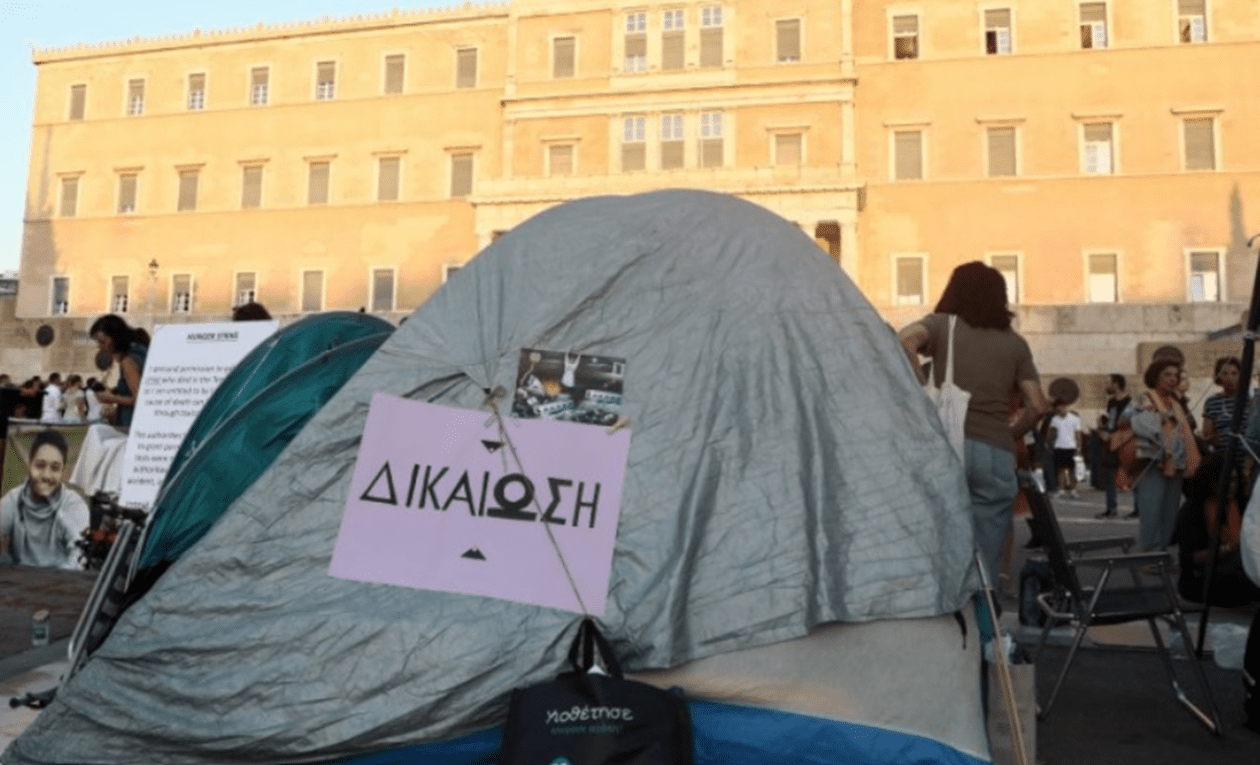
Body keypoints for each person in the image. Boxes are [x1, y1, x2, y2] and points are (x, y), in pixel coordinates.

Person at [899, 261, 1050, 585]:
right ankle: (984, 607)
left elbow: (903, 340)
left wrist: (920, 388)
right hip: (996, 451)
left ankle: (949, 609)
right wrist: (1009, 434)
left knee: (942, 544)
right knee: (987, 555)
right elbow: (1037, 406)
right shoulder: (1015, 343)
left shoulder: (943, 326)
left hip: (948, 448)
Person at [1123, 358, 1201, 551]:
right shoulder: (1143, 398)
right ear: (1156, 377)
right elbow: (1123, 421)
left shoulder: (1176, 403)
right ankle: (1150, 553)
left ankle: (1162, 552)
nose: (1173, 379)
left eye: (1176, 375)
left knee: (1170, 512)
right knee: (1151, 510)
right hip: (1151, 461)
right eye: (1167, 374)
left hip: (1176, 462)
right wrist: (1157, 418)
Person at [0, 429, 90, 569]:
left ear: (63, 471)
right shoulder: (13, 499)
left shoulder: (73, 505)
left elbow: (79, 557)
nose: (46, 475)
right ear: (29, 465)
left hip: (62, 579)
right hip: (18, 577)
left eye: (55, 468)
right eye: (40, 465)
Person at [89, 314, 148, 427]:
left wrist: (111, 398)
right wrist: (117, 390)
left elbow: (139, 399)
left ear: (115, 338)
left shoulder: (127, 360)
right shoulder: (140, 350)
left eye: (102, 342)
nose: (100, 347)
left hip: (130, 423)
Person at [1097, 373, 1133, 519]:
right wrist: (1104, 429)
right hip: (1110, 442)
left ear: (1116, 384)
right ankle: (1111, 508)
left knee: (1132, 475)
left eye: (1109, 383)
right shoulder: (1111, 402)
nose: (1107, 386)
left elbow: (1129, 424)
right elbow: (1112, 421)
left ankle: (1138, 509)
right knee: (1110, 476)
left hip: (1124, 442)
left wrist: (1114, 435)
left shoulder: (1129, 402)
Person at [1049, 400, 1082, 498]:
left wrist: (1079, 448)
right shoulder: (1055, 419)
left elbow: (1078, 434)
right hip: (1059, 447)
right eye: (1058, 408)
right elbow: (1051, 433)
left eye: (1062, 407)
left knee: (1072, 470)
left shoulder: (1075, 418)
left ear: (1065, 406)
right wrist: (1050, 441)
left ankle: (1073, 490)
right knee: (1060, 470)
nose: (1061, 409)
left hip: (1071, 447)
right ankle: (1061, 489)